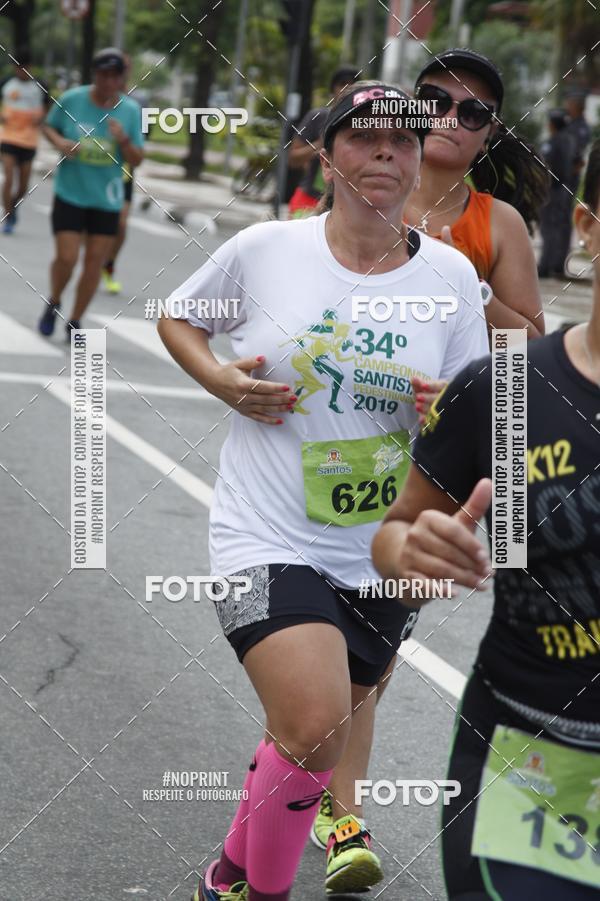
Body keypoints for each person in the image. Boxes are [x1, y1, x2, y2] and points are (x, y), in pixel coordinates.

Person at [158, 80, 489, 900]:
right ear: (328, 151)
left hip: (383, 550)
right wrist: (222, 382)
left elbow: (483, 406)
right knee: (312, 728)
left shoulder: (449, 277)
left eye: (404, 141)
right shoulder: (267, 249)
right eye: (364, 137)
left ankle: (229, 873)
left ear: (418, 163)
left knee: (309, 742)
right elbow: (178, 317)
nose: (386, 151)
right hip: (264, 535)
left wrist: (446, 407)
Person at [310, 47, 549, 852]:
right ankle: (334, 805)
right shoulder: (362, 188)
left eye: (473, 110)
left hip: (435, 468)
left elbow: (533, 344)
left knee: (369, 656)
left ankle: (314, 786)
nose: (450, 115)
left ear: (487, 135)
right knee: (317, 639)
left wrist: (465, 296)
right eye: (435, 98)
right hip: (336, 450)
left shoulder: (498, 225)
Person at [371, 139, 600, 900]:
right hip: (534, 755)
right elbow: (395, 535)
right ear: (589, 227)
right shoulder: (505, 389)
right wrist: (412, 553)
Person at [37, 47, 144, 340]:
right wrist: (60, 142)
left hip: (106, 199)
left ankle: (75, 319)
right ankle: (55, 300)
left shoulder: (131, 111)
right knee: (67, 257)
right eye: (103, 75)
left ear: (122, 79)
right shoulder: (73, 99)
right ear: (95, 75)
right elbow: (48, 126)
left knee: (94, 261)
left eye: (114, 76)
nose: (108, 82)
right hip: (70, 193)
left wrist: (123, 139)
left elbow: (137, 159)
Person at [287, 64, 360, 218]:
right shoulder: (318, 117)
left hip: (345, 205)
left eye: (353, 84)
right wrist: (318, 146)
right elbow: (293, 159)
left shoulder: (363, 123)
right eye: (342, 84)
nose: (347, 88)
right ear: (333, 89)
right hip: (308, 199)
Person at [0, 47, 49, 234]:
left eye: (24, 67)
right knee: (9, 178)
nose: (21, 71)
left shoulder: (40, 85)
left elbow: (48, 106)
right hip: (8, 138)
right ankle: (7, 215)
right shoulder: (6, 83)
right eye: (18, 67)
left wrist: (42, 117)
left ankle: (13, 204)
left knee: (23, 186)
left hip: (29, 140)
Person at [102, 54, 140, 295]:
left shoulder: (134, 104)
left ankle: (109, 265)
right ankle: (94, 257)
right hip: (95, 172)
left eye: (123, 70)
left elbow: (141, 142)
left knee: (122, 224)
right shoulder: (95, 97)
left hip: (123, 173)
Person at [538, 109, 577, 279]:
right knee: (560, 227)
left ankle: (545, 266)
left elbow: (545, 166)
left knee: (549, 228)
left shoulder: (552, 143)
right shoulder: (570, 141)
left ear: (553, 124)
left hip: (552, 190)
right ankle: (557, 265)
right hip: (565, 188)